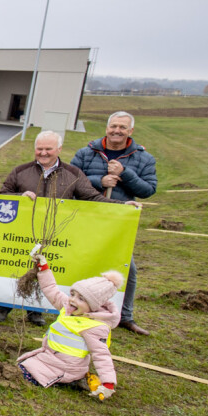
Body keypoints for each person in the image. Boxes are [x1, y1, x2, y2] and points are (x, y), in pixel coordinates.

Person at [0, 130, 128, 326]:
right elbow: (2, 195)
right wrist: (19, 197)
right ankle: (4, 307)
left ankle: (36, 310)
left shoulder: (72, 174)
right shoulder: (20, 171)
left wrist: (122, 206)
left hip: (55, 232)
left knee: (45, 269)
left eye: (48, 149)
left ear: (59, 149)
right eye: (39, 148)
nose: (43, 153)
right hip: (23, 231)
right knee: (17, 266)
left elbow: (92, 197)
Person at [70, 112, 157, 336]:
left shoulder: (144, 158)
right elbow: (70, 180)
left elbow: (148, 190)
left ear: (131, 131)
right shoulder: (86, 153)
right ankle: (71, 306)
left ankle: (125, 316)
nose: (117, 130)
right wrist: (99, 181)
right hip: (89, 216)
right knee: (77, 260)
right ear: (107, 127)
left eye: (122, 127)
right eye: (113, 126)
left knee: (128, 268)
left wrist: (124, 174)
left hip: (119, 223)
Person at [17, 251, 122, 401]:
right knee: (24, 366)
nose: (72, 300)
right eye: (73, 294)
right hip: (51, 358)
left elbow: (101, 355)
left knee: (24, 373)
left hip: (66, 368)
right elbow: (51, 289)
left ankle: (68, 381)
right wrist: (44, 267)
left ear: (93, 306)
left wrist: (108, 383)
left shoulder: (94, 327)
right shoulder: (69, 308)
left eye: (81, 299)